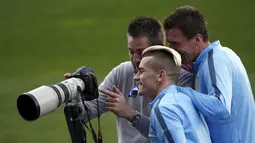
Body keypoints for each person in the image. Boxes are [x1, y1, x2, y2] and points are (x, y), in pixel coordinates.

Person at [65, 17, 193, 143]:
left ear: (159, 48)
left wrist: (130, 114)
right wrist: (75, 94)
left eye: (141, 52)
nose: (136, 59)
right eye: (131, 52)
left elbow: (172, 134)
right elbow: (87, 112)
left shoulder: (182, 80)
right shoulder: (122, 73)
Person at [163, 5, 255, 143]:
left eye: (176, 44)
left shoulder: (215, 59)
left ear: (198, 39)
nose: (172, 50)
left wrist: (179, 91)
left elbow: (220, 107)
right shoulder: (209, 61)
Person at [133, 45, 211, 143]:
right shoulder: (185, 100)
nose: (136, 77)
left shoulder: (163, 108)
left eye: (141, 71)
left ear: (160, 75)